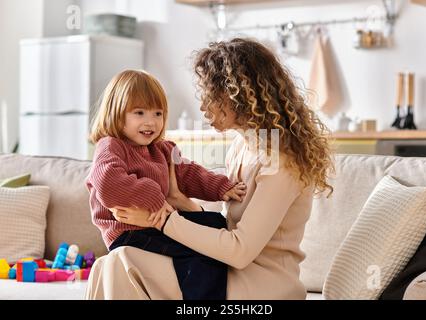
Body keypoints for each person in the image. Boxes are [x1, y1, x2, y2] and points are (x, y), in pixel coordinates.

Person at [85, 38, 334, 300]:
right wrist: (181, 202)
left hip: (262, 283)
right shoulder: (241, 147)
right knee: (110, 262)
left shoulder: (281, 162)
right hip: (224, 266)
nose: (203, 106)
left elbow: (239, 249)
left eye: (211, 94)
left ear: (238, 95)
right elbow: (227, 228)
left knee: (119, 261)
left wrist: (162, 219)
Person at [86, 69, 247, 300]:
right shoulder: (110, 146)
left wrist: (222, 187)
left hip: (156, 225)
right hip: (128, 232)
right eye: (139, 113)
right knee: (203, 254)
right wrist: (154, 197)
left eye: (158, 113)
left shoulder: (163, 149)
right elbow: (108, 184)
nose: (150, 122)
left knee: (217, 224)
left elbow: (191, 173)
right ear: (117, 114)